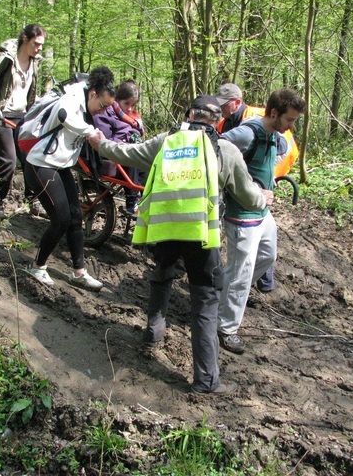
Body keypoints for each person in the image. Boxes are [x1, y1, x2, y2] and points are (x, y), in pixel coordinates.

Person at [88, 95, 273, 394]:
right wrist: (262, 199)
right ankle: (206, 380)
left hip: (164, 229)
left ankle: (153, 332)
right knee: (205, 301)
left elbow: (128, 153)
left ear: (189, 114)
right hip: (201, 235)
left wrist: (100, 144)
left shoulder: (166, 141)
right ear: (216, 121)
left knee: (162, 276)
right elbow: (247, 195)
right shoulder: (224, 149)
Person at [217, 88, 306, 355]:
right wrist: (249, 187)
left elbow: (277, 153)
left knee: (267, 255)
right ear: (275, 113)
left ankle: (221, 290)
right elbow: (217, 149)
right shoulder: (247, 132)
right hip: (241, 213)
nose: (291, 126)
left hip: (262, 213)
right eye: (289, 120)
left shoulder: (274, 135)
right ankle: (225, 328)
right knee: (241, 274)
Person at [22, 66, 116, 291]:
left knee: (76, 216)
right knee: (61, 218)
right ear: (93, 93)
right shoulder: (73, 98)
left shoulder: (88, 104)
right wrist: (89, 131)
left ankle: (79, 273)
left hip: (60, 165)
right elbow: (64, 116)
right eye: (102, 106)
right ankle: (37, 266)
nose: (102, 111)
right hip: (40, 164)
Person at [0, 24, 48, 220]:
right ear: (25, 39)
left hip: (23, 117)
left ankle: (33, 202)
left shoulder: (35, 63)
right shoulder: (6, 59)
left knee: (31, 159)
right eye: (36, 44)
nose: (39, 48)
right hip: (1, 115)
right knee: (8, 161)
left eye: (42, 45)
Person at [92, 79, 146, 215]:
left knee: (149, 164)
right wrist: (127, 143)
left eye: (133, 105)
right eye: (126, 104)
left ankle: (147, 200)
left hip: (127, 148)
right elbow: (105, 139)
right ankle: (131, 203)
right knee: (132, 156)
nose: (129, 109)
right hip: (110, 150)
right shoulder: (104, 111)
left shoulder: (130, 118)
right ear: (117, 99)